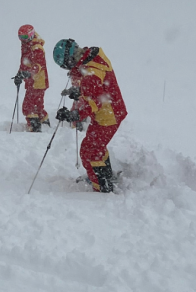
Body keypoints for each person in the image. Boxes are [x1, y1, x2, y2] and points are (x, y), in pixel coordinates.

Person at [53, 39, 127, 192]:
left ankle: (102, 186)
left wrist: (74, 115)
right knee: (95, 146)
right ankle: (105, 177)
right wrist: (79, 92)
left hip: (108, 116)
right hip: (110, 111)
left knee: (90, 150)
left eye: (66, 65)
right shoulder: (92, 59)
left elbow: (96, 101)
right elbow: (97, 88)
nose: (67, 68)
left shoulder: (90, 73)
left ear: (71, 59)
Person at [13, 25, 49, 131]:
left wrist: (27, 74)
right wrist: (19, 74)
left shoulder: (36, 48)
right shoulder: (26, 45)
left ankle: (34, 126)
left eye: (24, 37)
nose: (22, 40)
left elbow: (38, 65)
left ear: (31, 35)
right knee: (37, 105)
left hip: (38, 82)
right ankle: (44, 123)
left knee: (29, 105)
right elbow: (24, 64)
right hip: (33, 81)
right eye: (20, 37)